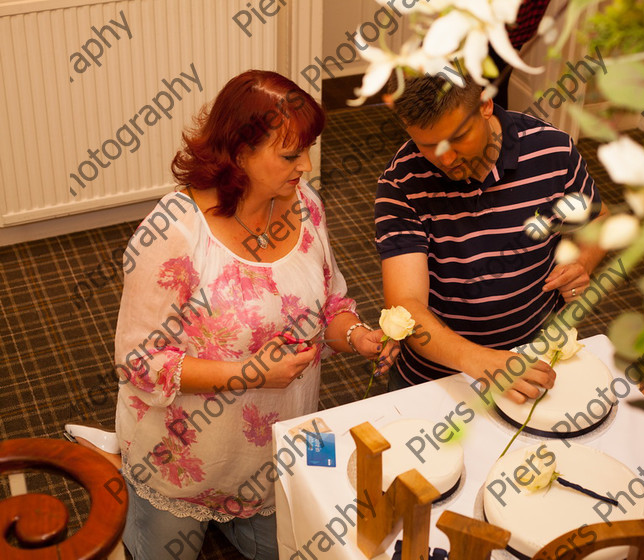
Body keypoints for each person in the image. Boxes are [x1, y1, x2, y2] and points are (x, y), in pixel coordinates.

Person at [111, 70, 397, 560]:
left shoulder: (305, 207)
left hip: (273, 454)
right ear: (238, 152)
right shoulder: (171, 234)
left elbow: (330, 304)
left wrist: (357, 336)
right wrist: (247, 375)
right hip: (184, 459)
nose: (306, 166)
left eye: (308, 150)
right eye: (290, 155)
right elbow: (138, 363)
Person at [375, 74, 608, 403]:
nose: (446, 159)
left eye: (458, 138)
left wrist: (583, 261)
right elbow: (407, 306)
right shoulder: (401, 181)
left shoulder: (553, 150)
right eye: (427, 145)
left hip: (535, 359)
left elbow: (597, 218)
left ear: (485, 104)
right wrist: (480, 361)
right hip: (438, 381)